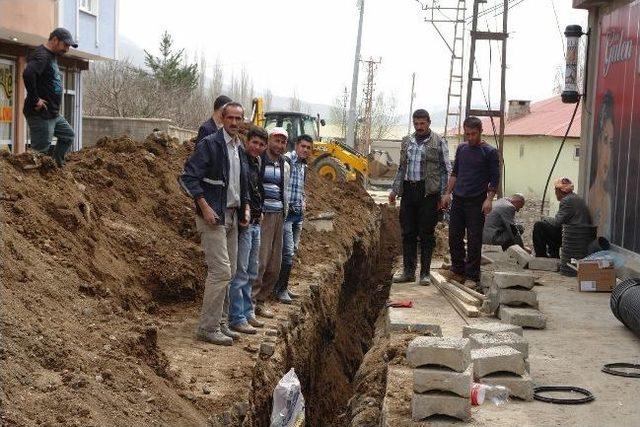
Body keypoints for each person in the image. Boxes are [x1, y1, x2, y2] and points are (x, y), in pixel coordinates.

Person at [179, 102, 249, 346]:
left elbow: (240, 182)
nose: (234, 122)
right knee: (221, 271)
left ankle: (221, 322)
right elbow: (188, 177)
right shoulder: (210, 144)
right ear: (222, 117)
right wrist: (205, 207)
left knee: (229, 274)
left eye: (238, 118)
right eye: (230, 118)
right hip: (213, 216)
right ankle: (207, 327)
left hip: (231, 215)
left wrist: (245, 207)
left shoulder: (239, 149)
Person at [389, 109, 451, 285]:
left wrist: (444, 194)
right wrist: (394, 190)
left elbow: (446, 170)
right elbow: (401, 168)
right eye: (416, 124)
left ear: (429, 123)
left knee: (426, 234)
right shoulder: (407, 141)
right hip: (409, 191)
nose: (419, 127)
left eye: (422, 123)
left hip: (428, 193)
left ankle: (424, 273)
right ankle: (409, 272)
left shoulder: (438, 142)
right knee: (408, 232)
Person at [441, 116, 500, 284]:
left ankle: (472, 275)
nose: (471, 137)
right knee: (454, 236)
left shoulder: (489, 152)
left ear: (481, 132)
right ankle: (457, 270)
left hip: (477, 201)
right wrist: (447, 193)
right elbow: (455, 173)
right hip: (458, 200)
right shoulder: (462, 149)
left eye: (474, 134)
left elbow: (494, 179)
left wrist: (489, 200)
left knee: (474, 239)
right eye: (467, 134)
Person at [228, 126, 269, 334]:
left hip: (255, 222)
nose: (257, 147)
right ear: (247, 141)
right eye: (254, 143)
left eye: (262, 145)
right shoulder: (240, 160)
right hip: (244, 223)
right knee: (241, 271)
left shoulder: (257, 161)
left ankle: (247, 311)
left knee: (252, 269)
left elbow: (257, 188)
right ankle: (236, 317)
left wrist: (259, 210)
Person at [22, 28, 78, 167]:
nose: (67, 49)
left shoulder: (51, 55)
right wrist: (36, 99)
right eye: (65, 45)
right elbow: (28, 73)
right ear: (54, 40)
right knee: (40, 151)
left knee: (68, 135)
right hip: (40, 113)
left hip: (52, 113)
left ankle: (57, 166)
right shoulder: (42, 55)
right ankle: (33, 182)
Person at [252, 127, 290, 318]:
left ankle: (261, 300)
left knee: (275, 264)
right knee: (261, 260)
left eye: (283, 142)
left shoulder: (285, 165)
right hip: (264, 215)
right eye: (277, 140)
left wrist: (286, 210)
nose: (280, 145)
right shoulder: (260, 160)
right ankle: (251, 302)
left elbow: (285, 190)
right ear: (269, 141)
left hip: (279, 215)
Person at [274, 134, 313, 303]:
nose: (305, 150)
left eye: (308, 148)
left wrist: (303, 201)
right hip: (287, 215)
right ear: (296, 145)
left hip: (298, 214)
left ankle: (283, 286)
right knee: (287, 252)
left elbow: (300, 187)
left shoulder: (303, 166)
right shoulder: (287, 161)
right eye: (303, 146)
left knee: (292, 250)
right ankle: (279, 289)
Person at [533, 177, 592, 258]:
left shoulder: (567, 200)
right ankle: (554, 255)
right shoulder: (575, 198)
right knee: (551, 229)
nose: (555, 192)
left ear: (560, 191)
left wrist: (544, 218)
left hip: (573, 237)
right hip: (579, 235)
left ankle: (540, 256)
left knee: (539, 225)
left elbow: (557, 223)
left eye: (555, 190)